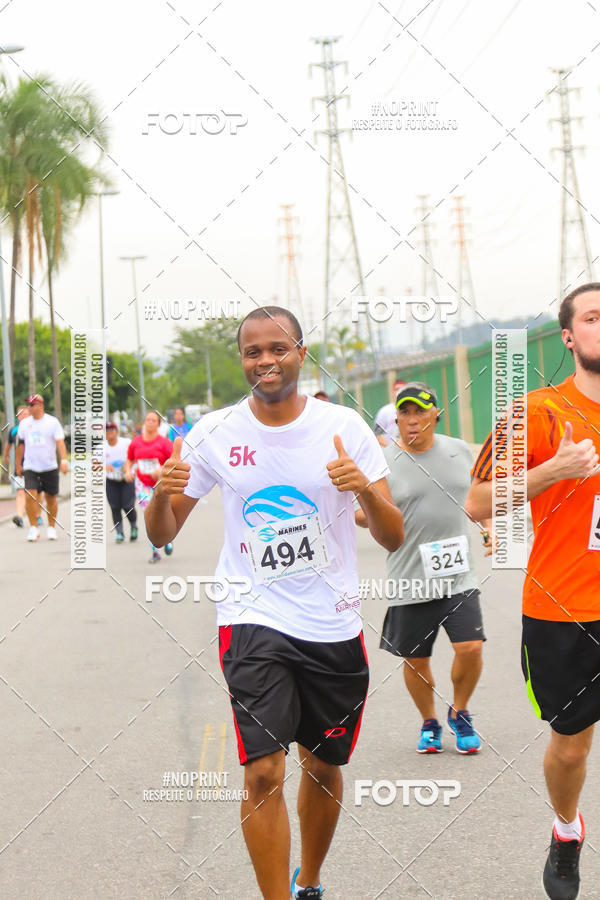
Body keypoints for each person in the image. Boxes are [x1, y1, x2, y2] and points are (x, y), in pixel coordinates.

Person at [145, 305, 404, 900]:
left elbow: (392, 536)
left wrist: (363, 487)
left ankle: (309, 879)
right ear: (242, 360)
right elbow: (162, 534)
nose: (265, 360)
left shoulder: (344, 427)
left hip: (332, 623)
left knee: (323, 765)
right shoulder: (215, 431)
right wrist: (162, 497)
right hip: (251, 618)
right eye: (252, 351)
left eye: (277, 349)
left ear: (301, 354)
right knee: (263, 769)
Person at [466, 282, 600, 900]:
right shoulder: (539, 414)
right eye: (594, 318)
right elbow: (477, 502)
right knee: (571, 747)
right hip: (566, 609)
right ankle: (567, 828)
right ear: (569, 337)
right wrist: (554, 471)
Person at [357, 382, 492, 754]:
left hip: (458, 573)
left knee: (471, 647)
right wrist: (365, 512)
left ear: (436, 413)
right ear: (396, 418)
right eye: (405, 413)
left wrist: (487, 528)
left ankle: (460, 712)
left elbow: (476, 498)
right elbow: (365, 511)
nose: (412, 420)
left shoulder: (459, 451)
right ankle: (429, 722)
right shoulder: (383, 461)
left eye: (420, 411)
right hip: (409, 577)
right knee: (416, 659)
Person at [15, 394, 68, 542]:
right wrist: (18, 464)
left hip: (49, 466)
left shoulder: (52, 422)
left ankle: (51, 527)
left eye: (32, 405)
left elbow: (60, 443)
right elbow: (21, 446)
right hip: (31, 466)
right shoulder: (25, 424)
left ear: (40, 405)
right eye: (29, 405)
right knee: (29, 495)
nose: (29, 408)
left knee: (51, 498)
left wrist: (64, 460)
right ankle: (33, 528)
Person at [124, 410, 172, 562]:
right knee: (149, 515)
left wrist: (161, 470)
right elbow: (130, 459)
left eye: (153, 420)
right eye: (148, 420)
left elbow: (175, 461)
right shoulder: (136, 442)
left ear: (158, 424)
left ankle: (168, 537)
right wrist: (127, 471)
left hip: (161, 483)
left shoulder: (164, 443)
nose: (150, 423)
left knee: (163, 513)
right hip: (142, 484)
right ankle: (155, 551)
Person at [104, 422, 137, 543]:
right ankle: (120, 532)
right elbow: (94, 464)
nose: (109, 432)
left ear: (116, 431)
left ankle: (133, 526)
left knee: (128, 506)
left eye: (112, 429)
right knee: (115, 507)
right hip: (111, 481)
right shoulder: (101, 448)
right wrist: (104, 466)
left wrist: (128, 467)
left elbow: (136, 457)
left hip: (127, 479)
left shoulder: (126, 443)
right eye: (107, 430)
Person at [3, 405, 29, 527]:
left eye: (25, 414)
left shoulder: (34, 428)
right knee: (20, 492)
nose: (23, 416)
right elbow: (8, 445)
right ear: (17, 417)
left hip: (35, 466)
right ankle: (19, 516)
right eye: (20, 414)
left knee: (35, 493)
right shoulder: (14, 430)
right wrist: (5, 456)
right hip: (20, 467)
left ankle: (37, 515)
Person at [373, 379, 406, 446]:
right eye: (397, 389)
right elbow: (376, 434)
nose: (399, 392)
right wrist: (389, 449)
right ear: (392, 392)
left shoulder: (413, 411)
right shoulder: (385, 411)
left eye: (403, 389)